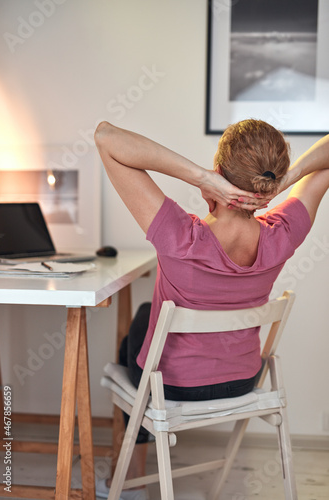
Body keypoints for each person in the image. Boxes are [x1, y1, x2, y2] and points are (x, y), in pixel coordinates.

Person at [94, 119, 329, 500]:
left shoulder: (179, 235)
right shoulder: (284, 234)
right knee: (141, 316)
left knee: (135, 336)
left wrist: (201, 177)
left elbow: (106, 136)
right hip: (243, 382)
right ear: (267, 185)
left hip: (171, 387)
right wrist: (290, 178)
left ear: (219, 175)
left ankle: (130, 479)